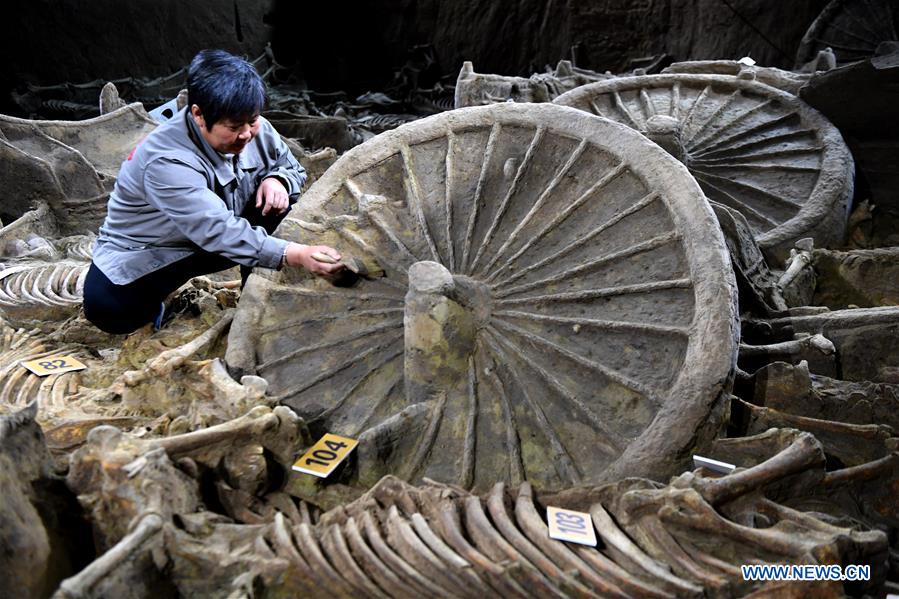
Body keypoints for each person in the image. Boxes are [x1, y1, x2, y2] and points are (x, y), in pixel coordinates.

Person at [84, 49, 343, 334]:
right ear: (198, 114)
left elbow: (291, 166)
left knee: (279, 204)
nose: (246, 133)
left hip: (223, 234)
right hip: (156, 251)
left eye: (252, 121)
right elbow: (216, 230)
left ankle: (256, 294)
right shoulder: (166, 160)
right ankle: (155, 302)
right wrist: (295, 253)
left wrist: (278, 179)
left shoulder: (255, 127)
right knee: (108, 308)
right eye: (233, 126)